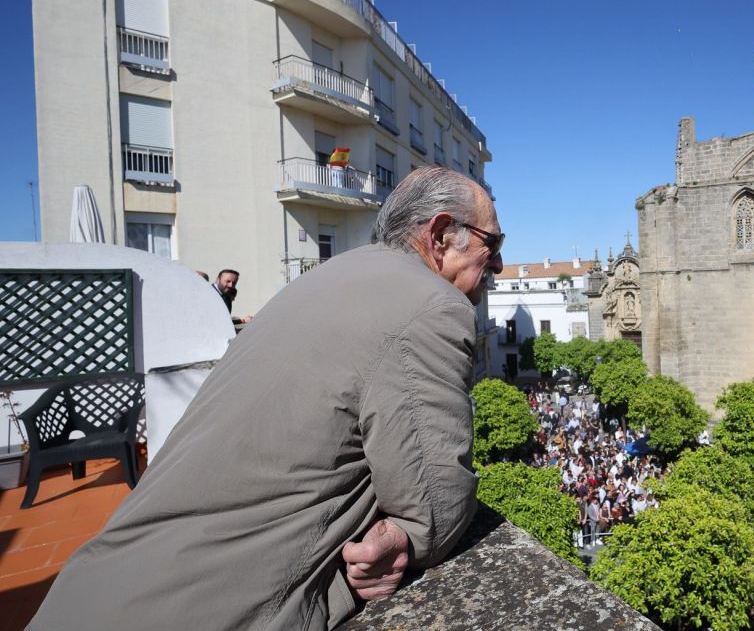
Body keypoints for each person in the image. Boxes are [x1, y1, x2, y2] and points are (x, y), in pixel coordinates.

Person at [28, 166, 505, 631]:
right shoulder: (433, 305)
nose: (499, 264)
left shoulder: (328, 275)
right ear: (441, 235)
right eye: (493, 244)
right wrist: (407, 536)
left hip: (99, 589)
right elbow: (437, 505)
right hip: (211, 606)